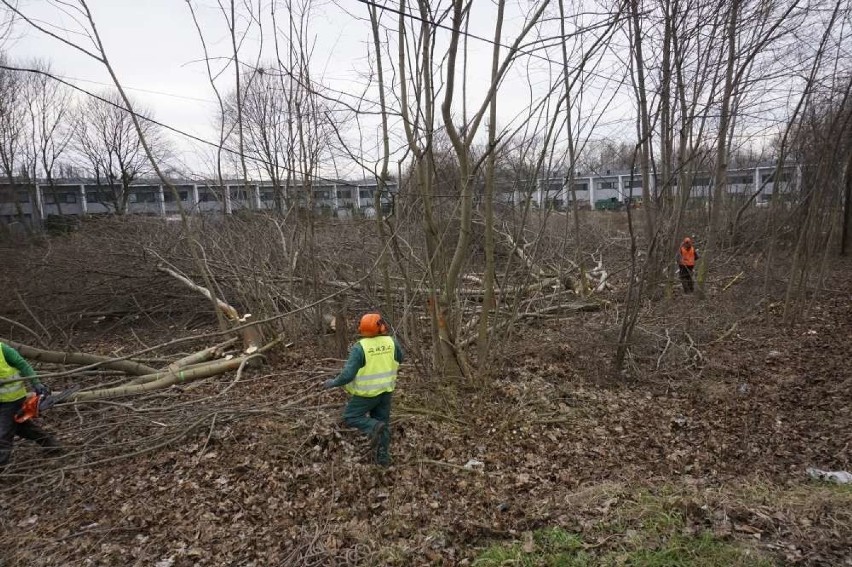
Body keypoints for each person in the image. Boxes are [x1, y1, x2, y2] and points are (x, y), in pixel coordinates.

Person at [323, 313, 403, 466]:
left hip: (366, 394)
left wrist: (333, 383)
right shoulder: (391, 342)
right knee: (383, 423)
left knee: (350, 416)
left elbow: (347, 375)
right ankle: (383, 459)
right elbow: (400, 358)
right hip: (386, 390)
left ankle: (373, 427)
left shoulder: (360, 348)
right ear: (381, 327)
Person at [0, 342, 60, 466]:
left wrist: (35, 382)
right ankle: (51, 444)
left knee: (3, 435)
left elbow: (22, 364)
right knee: (22, 427)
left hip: (12, 399)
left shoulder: (3, 350)